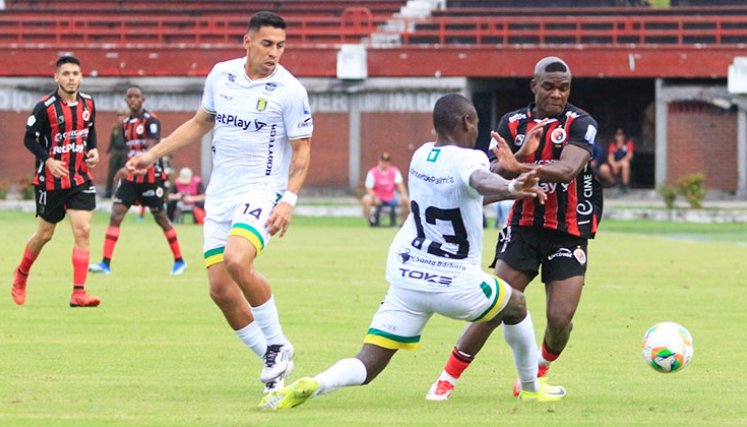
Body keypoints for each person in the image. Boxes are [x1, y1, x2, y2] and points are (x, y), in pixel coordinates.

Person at [258, 94, 565, 411]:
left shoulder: (420, 157)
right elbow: (481, 180)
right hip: (454, 283)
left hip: (408, 278)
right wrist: (513, 188)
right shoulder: (470, 158)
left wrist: (512, 168)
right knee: (516, 304)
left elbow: (469, 194)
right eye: (475, 123)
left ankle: (317, 382)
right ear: (467, 122)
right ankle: (530, 387)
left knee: (369, 362)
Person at [125, 11, 312, 393]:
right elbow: (199, 122)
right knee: (220, 290)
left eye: (280, 46)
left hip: (262, 190)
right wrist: (152, 154)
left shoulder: (290, 91)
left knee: (237, 260)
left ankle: (278, 343)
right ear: (247, 42)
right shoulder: (221, 75)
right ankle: (272, 366)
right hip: (221, 193)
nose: (274, 53)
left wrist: (288, 200)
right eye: (267, 44)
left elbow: (302, 152)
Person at [426, 56, 603, 400]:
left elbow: (568, 170)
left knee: (560, 319)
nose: (556, 94)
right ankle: (446, 380)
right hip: (523, 228)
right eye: (549, 86)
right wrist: (512, 160)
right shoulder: (511, 123)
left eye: (563, 87)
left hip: (568, 231)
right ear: (534, 85)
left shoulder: (581, 122)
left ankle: (536, 374)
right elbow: (490, 171)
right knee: (493, 307)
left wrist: (519, 163)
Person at [11, 55, 101, 307]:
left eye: (75, 73)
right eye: (66, 74)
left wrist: (92, 150)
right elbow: (29, 139)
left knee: (83, 230)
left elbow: (89, 130)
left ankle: (78, 292)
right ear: (57, 77)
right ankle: (21, 274)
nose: (71, 78)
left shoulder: (89, 103)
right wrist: (48, 160)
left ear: (81, 77)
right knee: (44, 234)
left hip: (80, 177)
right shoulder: (45, 107)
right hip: (51, 181)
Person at [88, 85, 187, 276]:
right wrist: (127, 169)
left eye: (137, 96)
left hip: (150, 178)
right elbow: (132, 151)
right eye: (130, 97)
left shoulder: (151, 121)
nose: (133, 100)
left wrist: (127, 168)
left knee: (162, 219)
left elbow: (149, 153)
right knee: (116, 215)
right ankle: (105, 264)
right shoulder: (125, 124)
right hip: (131, 178)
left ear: (143, 99)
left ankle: (179, 261)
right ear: (126, 101)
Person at [360, 152, 410, 226]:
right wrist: (374, 197)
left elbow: (400, 185)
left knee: (406, 200)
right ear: (379, 161)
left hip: (391, 196)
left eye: (386, 161)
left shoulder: (394, 171)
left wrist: (403, 195)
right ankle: (371, 220)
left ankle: (404, 222)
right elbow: (368, 188)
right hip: (378, 196)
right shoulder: (373, 172)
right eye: (383, 161)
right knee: (365, 199)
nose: (384, 163)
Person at [599, 127, 634, 192]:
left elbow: (629, 156)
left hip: (623, 164)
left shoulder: (628, 144)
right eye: (618, 135)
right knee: (603, 168)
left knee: (625, 164)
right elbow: (610, 157)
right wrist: (614, 164)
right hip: (614, 166)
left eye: (621, 135)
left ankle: (625, 185)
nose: (619, 137)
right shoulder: (613, 145)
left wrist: (618, 164)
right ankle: (614, 183)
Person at [104, 110, 128, 198]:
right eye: (119, 116)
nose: (120, 118)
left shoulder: (127, 127)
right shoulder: (114, 127)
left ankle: (121, 193)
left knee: (123, 173)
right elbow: (112, 140)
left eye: (122, 116)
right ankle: (108, 193)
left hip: (124, 152)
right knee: (111, 173)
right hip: (115, 151)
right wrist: (109, 150)